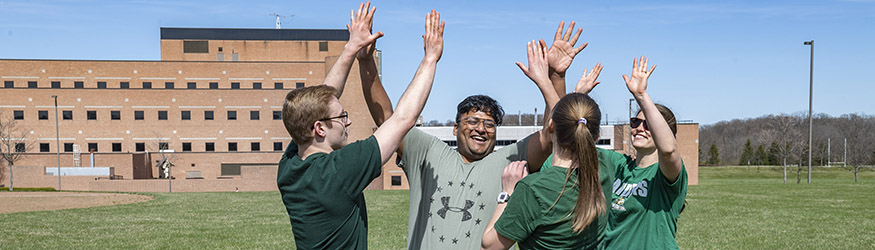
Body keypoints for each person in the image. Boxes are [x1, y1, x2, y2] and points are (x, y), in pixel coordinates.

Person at [360, 21, 594, 249]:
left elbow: (550, 133)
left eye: (489, 124)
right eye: (472, 121)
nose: (481, 129)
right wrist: (366, 62)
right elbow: (387, 119)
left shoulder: (511, 160)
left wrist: (556, 76)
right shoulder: (427, 152)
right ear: (455, 127)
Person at [276, 2, 444, 249]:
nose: (348, 121)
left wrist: (352, 48)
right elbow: (403, 119)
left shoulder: (289, 166)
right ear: (319, 129)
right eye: (341, 116)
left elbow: (324, 97)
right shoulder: (339, 170)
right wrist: (430, 59)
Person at [481, 39, 610, 250]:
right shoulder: (602, 173)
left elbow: (489, 246)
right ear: (594, 137)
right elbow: (569, 120)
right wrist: (551, 79)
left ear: (550, 127)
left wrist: (507, 194)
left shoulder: (532, 189)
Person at [604, 56, 687, 249]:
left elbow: (668, 150)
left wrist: (641, 96)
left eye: (648, 124)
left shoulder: (667, 176)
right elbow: (576, 146)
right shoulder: (618, 165)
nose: (640, 128)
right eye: (635, 122)